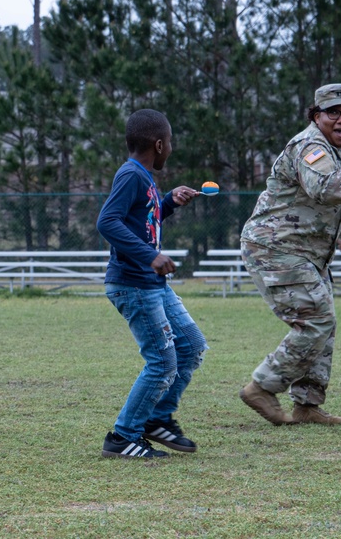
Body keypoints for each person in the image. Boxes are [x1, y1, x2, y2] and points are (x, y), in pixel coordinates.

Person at [238, 83, 341, 427]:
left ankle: (307, 405)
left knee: (324, 325)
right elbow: (327, 187)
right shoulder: (309, 146)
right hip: (275, 248)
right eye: (333, 112)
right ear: (317, 116)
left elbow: (339, 196)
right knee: (317, 319)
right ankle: (261, 387)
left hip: (307, 253)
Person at [96, 109, 209, 459]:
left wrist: (168, 203)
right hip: (134, 284)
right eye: (170, 142)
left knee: (191, 345)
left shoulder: (144, 176)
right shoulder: (131, 174)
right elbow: (107, 221)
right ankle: (124, 436)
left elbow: (140, 219)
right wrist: (149, 255)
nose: (171, 149)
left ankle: (157, 419)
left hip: (152, 283)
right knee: (162, 362)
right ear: (159, 144)